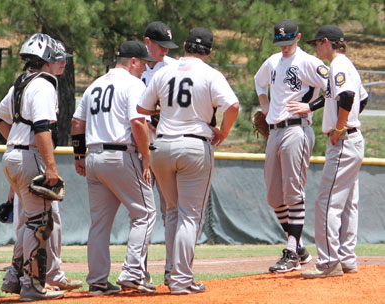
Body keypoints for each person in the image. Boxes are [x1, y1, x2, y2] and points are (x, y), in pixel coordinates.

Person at [137, 27, 239, 294]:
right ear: (209, 51)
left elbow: (142, 108)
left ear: (184, 46)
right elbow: (233, 105)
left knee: (171, 213)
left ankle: (171, 274)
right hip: (194, 144)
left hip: (162, 146)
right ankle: (181, 280)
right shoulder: (210, 73)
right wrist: (224, 132)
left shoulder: (163, 71)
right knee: (190, 215)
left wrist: (164, 112)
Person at [0, 33, 82, 301]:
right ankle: (32, 285)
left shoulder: (21, 83)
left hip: (12, 156)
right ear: (45, 60)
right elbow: (42, 128)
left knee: (29, 222)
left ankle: (14, 278)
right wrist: (51, 168)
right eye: (57, 58)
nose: (62, 62)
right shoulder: (44, 85)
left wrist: (15, 143)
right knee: (40, 223)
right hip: (30, 156)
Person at [71, 41, 157, 295]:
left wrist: (78, 155)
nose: (144, 69)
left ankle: (97, 281)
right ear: (132, 61)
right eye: (142, 63)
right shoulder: (133, 84)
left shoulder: (95, 84)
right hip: (121, 155)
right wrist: (146, 157)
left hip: (94, 157)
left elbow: (77, 122)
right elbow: (138, 123)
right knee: (145, 213)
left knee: (99, 223)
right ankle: (132, 273)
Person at [254, 19, 329, 273]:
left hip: (298, 129)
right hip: (274, 131)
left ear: (298, 37)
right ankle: (300, 249)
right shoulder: (273, 62)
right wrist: (265, 108)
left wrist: (311, 106)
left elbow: (333, 87)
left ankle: (291, 250)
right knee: (274, 197)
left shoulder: (309, 62)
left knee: (293, 192)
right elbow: (258, 81)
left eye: (288, 42)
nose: (284, 47)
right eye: (281, 43)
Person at [294, 25, 367, 278]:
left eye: (318, 43)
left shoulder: (338, 65)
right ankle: (347, 259)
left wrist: (339, 127)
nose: (316, 47)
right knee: (347, 204)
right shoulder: (347, 65)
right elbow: (362, 98)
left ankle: (328, 262)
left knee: (326, 203)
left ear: (327, 41)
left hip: (344, 140)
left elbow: (347, 97)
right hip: (353, 140)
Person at [141, 20, 178, 286]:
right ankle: (138, 270)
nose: (164, 50)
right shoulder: (132, 67)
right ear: (147, 43)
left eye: (168, 46)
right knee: (141, 213)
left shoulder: (175, 67)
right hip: (140, 148)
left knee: (170, 211)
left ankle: (171, 268)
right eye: (160, 46)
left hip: (165, 147)